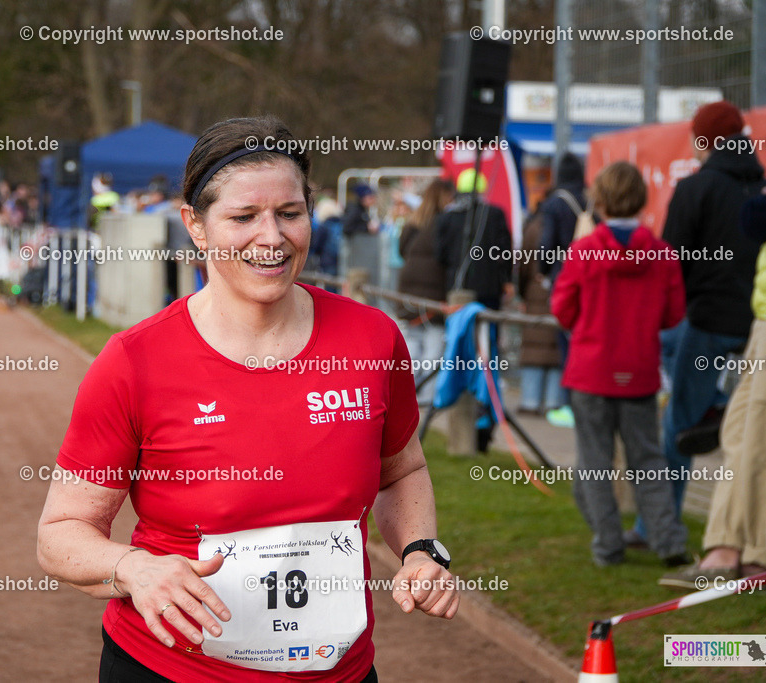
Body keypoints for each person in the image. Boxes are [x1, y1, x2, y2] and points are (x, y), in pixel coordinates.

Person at [37, 115, 459, 682]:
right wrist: (134, 569)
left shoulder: (372, 340)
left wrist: (420, 550)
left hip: (342, 674)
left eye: (290, 213)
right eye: (243, 217)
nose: (272, 238)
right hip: (169, 672)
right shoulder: (134, 362)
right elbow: (60, 533)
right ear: (196, 225)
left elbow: (401, 470)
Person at [627, 100, 765, 549]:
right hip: (759, 322)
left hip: (705, 320)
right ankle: (746, 535)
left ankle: (658, 530)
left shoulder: (697, 188)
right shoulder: (764, 186)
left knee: (678, 430)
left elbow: (671, 262)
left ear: (704, 139)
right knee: (750, 432)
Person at [551, 161, 688, 568]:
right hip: (640, 372)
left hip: (590, 371)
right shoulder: (662, 254)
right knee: (649, 462)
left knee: (593, 465)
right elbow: (673, 315)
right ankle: (669, 542)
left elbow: (562, 309)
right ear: (642, 200)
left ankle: (608, 544)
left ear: (600, 201)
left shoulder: (584, 251)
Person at [660, 167, 766, 589]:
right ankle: (725, 548)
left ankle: (756, 557)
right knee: (738, 434)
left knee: (765, 442)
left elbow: (759, 219)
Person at [537, 153, 589, 428]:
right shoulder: (590, 199)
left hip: (565, 278)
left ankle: (571, 405)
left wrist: (543, 271)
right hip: (592, 280)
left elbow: (547, 244)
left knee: (567, 345)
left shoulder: (555, 203)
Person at [396, 178, 456, 403]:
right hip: (434, 290)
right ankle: (426, 395)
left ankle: (405, 391)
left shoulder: (414, 221)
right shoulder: (446, 223)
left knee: (411, 342)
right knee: (433, 344)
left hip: (408, 287)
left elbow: (401, 250)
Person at [434, 169, 512, 311]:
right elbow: (505, 251)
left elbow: (440, 255)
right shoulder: (495, 214)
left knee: (460, 329)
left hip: (457, 287)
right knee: (489, 329)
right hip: (489, 288)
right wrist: (507, 280)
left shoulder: (447, 218)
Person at [516, 199, 563, 415]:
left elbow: (523, 266)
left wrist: (521, 293)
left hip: (535, 292)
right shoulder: (570, 223)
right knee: (555, 348)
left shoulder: (533, 228)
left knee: (534, 344)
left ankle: (531, 400)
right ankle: (555, 402)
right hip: (560, 292)